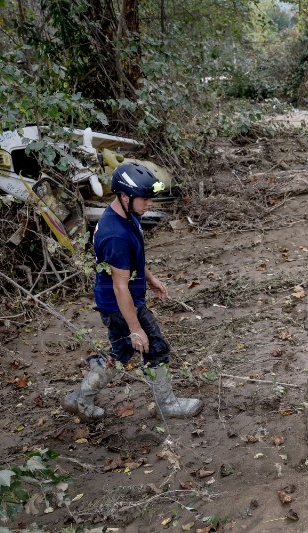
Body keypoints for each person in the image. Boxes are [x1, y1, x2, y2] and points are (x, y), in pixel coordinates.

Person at [62, 162, 202, 420]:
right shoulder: (115, 234)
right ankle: (167, 404)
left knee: (120, 352)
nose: (150, 204)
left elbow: (131, 261)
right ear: (125, 197)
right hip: (120, 303)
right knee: (155, 347)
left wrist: (150, 279)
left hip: (122, 298)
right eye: (145, 199)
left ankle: (80, 398)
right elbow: (119, 285)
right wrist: (135, 328)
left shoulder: (127, 216)